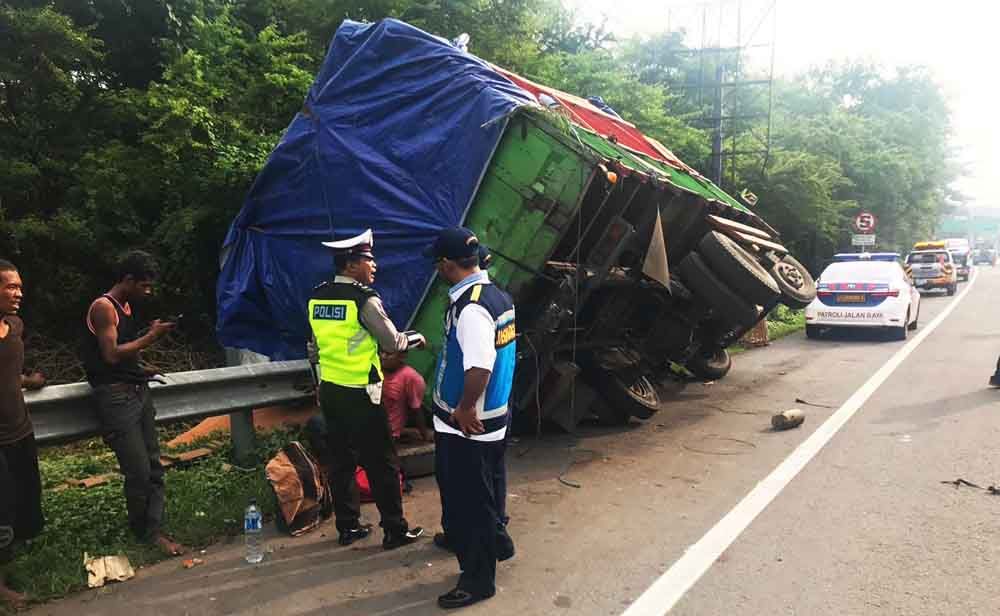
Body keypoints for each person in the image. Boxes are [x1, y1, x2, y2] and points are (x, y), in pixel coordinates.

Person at [308, 228, 425, 549]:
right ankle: (395, 530)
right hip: (362, 393)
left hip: (331, 391)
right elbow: (392, 343)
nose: (374, 266)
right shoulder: (364, 299)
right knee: (381, 462)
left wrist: (319, 384)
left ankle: (348, 527)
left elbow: (315, 350)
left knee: (341, 461)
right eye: (368, 260)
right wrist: (416, 337)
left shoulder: (317, 296)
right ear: (349, 264)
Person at [424, 227, 517, 609]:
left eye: (437, 264)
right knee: (485, 487)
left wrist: (463, 408)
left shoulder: (472, 308)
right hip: (491, 417)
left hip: (468, 423)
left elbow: (480, 366)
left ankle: (478, 580)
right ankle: (493, 537)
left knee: (468, 501)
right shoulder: (495, 295)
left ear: (447, 265)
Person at [81, 250, 185, 556]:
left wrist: (141, 369)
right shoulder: (104, 307)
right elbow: (110, 354)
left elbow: (123, 357)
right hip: (116, 398)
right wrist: (151, 337)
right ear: (128, 279)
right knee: (138, 470)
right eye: (145, 285)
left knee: (153, 465)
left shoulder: (125, 306)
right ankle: (143, 532)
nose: (148, 291)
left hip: (136, 391)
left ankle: (153, 530)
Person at [0, 260, 46, 608]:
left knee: (25, 503)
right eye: (10, 287)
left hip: (20, 429)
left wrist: (30, 381)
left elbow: (9, 373)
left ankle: (12, 568)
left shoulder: (14, 325)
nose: (18, 293)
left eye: (19, 286)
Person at [380, 350, 432, 443]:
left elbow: (416, 409)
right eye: (382, 352)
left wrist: (425, 435)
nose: (383, 356)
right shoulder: (375, 370)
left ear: (401, 356)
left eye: (389, 353)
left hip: (389, 434)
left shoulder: (411, 377)